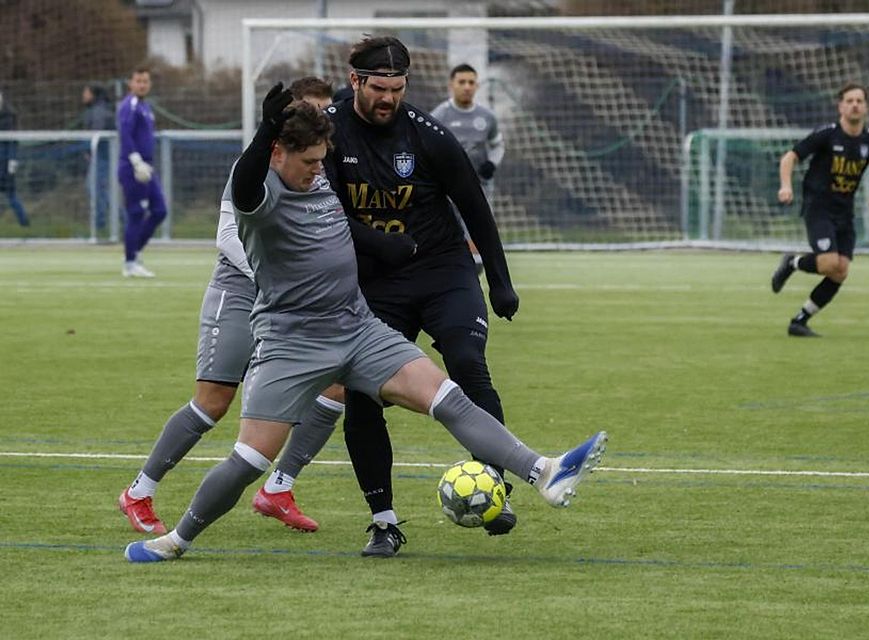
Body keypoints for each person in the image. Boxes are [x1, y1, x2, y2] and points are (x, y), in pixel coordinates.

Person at [123, 86, 607, 563]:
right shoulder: (260, 195)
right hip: (293, 342)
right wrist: (267, 128)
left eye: (322, 161)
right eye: (310, 162)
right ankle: (177, 540)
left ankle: (545, 472)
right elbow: (249, 179)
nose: (319, 172)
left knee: (448, 397)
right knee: (249, 460)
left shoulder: (317, 178)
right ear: (279, 154)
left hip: (358, 327)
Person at [259, 36, 523, 557]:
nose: (389, 98)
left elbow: (473, 203)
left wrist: (500, 278)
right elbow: (321, 211)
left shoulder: (427, 134)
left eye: (397, 88)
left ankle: (492, 487)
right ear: (354, 80)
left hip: (442, 268)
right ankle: (383, 522)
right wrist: (381, 244)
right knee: (361, 393)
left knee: (468, 362)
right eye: (379, 87)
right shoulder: (330, 131)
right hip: (376, 282)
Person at [118, 77, 407, 535]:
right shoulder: (254, 167)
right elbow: (228, 236)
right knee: (213, 402)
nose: (323, 120)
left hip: (292, 306)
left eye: (327, 112)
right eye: (314, 111)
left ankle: (278, 486)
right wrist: (278, 278)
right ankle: (140, 491)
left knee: (336, 388)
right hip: (241, 291)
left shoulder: (316, 168)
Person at [771, 82, 869, 337]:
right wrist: (785, 186)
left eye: (859, 101)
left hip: (844, 213)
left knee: (841, 270)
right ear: (840, 106)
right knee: (828, 263)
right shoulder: (827, 135)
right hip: (819, 207)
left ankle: (799, 321)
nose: (855, 105)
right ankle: (792, 262)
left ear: (866, 107)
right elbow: (790, 157)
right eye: (850, 101)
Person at [430, 63, 505, 272]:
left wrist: (492, 163)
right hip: (447, 188)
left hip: (480, 186)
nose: (467, 87)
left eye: (471, 82)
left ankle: (475, 274)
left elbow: (498, 145)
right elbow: (428, 148)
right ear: (451, 85)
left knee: (477, 230)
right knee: (446, 229)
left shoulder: (486, 117)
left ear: (477, 86)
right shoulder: (439, 115)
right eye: (461, 82)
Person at [117, 66, 166, 278]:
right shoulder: (130, 105)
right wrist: (135, 160)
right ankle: (130, 262)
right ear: (131, 83)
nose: (142, 85)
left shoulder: (146, 106)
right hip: (133, 166)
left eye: (145, 81)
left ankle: (134, 251)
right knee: (136, 212)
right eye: (138, 81)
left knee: (160, 210)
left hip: (147, 167)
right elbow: (125, 133)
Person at [81, 84, 114, 232]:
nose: (83, 95)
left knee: (93, 187)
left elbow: (97, 133)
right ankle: (121, 220)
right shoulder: (96, 110)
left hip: (102, 155)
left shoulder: (99, 112)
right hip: (102, 155)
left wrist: (89, 150)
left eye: (86, 92)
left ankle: (100, 224)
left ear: (93, 95)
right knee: (100, 190)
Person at [0, 90, 29, 227]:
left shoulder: (8, 116)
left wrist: (12, 161)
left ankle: (24, 223)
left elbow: (12, 141)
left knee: (11, 195)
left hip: (5, 163)